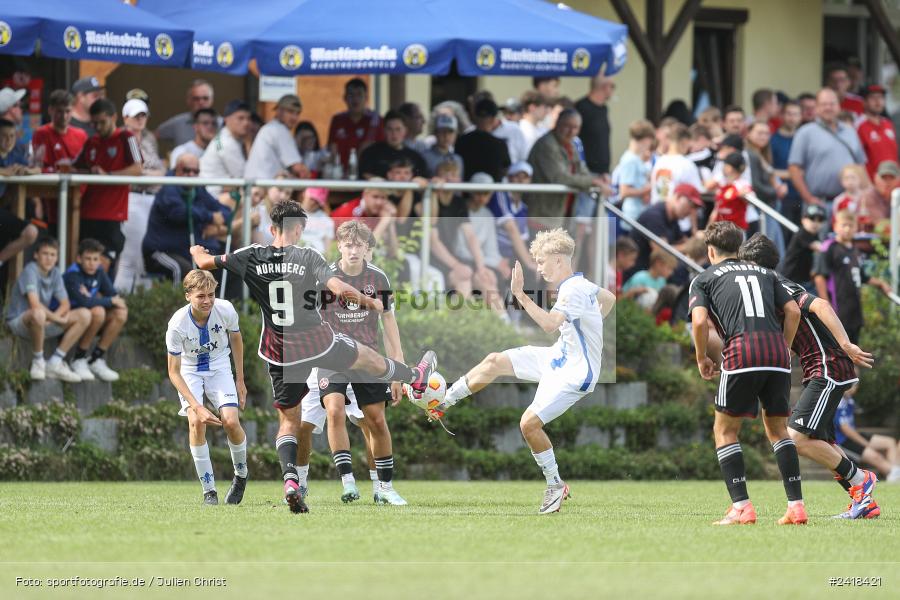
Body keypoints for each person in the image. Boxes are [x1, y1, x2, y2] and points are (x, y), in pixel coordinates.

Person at [189, 200, 438, 513]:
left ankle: (290, 479)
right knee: (367, 358)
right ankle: (415, 377)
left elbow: (206, 261)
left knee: (288, 422)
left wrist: (196, 251)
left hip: (278, 350)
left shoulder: (250, 255)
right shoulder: (308, 256)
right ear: (299, 230)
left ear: (271, 229)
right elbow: (339, 289)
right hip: (315, 342)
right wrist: (367, 302)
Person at [435, 229, 615, 514]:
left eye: (542, 262)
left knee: (528, 424)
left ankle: (555, 485)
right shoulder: (582, 284)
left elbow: (549, 324)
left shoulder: (573, 289)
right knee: (494, 361)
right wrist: (590, 325)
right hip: (559, 356)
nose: (539, 268)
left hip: (576, 373)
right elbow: (609, 298)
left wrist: (519, 294)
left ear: (558, 260)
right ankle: (444, 400)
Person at [736, 233, 882, 519]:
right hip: (819, 367)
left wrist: (845, 344)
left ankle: (861, 480)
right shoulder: (770, 289)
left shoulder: (780, 284)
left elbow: (822, 306)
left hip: (829, 365)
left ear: (754, 265)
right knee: (823, 444)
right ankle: (864, 503)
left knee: (796, 438)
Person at [688, 221, 803, 525]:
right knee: (779, 430)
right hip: (777, 355)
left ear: (710, 250)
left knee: (725, 431)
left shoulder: (703, 278)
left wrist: (701, 358)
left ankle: (741, 507)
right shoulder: (766, 273)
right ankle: (796, 506)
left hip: (742, 353)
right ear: (738, 250)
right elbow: (793, 311)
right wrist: (784, 347)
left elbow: (699, 323)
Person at [312, 221, 408, 504]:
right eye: (348, 244)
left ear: (368, 248)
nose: (354, 250)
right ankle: (348, 482)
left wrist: (397, 370)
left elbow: (389, 322)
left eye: (359, 245)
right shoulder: (324, 276)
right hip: (332, 355)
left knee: (376, 420)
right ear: (339, 246)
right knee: (335, 410)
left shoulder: (379, 278)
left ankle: (384, 489)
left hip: (368, 358)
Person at [165, 270, 248, 506]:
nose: (208, 301)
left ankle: (241, 475)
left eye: (211, 295)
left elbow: (236, 339)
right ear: (188, 296)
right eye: (201, 296)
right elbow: (173, 371)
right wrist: (196, 406)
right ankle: (209, 491)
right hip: (189, 370)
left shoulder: (225, 310)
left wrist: (240, 380)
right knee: (196, 421)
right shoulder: (177, 325)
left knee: (231, 421)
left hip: (219, 363)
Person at [5, 238, 90, 383]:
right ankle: (38, 361)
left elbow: (65, 304)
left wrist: (52, 318)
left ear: (57, 257)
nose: (49, 258)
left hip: (43, 323)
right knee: (38, 313)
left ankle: (55, 362)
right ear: (36, 255)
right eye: (45, 254)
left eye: (53, 255)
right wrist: (56, 319)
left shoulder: (55, 273)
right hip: (20, 323)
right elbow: (34, 303)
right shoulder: (30, 270)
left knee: (84, 314)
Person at [74, 98, 143, 275]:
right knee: (84, 266)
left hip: (111, 215)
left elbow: (137, 168)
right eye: (94, 123)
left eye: (102, 122)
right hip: (87, 213)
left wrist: (109, 175)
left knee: (103, 266)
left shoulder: (126, 137)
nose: (97, 127)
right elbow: (76, 167)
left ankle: (104, 301)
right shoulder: (91, 142)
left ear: (113, 118)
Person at [143, 153, 228, 283]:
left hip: (187, 251)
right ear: (177, 169)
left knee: (226, 263)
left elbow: (222, 210)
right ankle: (178, 303)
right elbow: (178, 213)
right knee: (183, 271)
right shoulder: (168, 187)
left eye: (196, 171)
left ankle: (225, 303)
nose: (191, 175)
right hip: (161, 251)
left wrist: (219, 218)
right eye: (187, 170)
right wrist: (210, 217)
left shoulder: (197, 188)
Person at [813, 211, 893, 344]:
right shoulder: (830, 248)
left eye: (851, 225)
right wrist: (826, 305)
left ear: (856, 228)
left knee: (854, 346)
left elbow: (862, 277)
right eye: (844, 225)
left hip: (854, 308)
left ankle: (853, 366)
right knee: (839, 348)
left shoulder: (855, 251)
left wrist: (881, 283)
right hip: (837, 307)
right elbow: (819, 276)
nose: (847, 229)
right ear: (835, 226)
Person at [527, 108, 606, 229]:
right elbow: (559, 177)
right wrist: (593, 181)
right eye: (567, 126)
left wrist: (599, 178)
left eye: (575, 128)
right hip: (543, 216)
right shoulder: (546, 144)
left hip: (562, 216)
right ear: (557, 123)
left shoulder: (571, 144)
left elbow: (582, 171)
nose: (571, 131)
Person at [118, 97, 166, 290]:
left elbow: (161, 170)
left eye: (143, 115)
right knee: (130, 253)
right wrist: (145, 174)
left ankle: (137, 299)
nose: (139, 120)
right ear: (125, 118)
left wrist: (144, 174)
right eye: (135, 116)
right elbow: (131, 172)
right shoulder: (121, 137)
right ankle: (121, 295)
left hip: (152, 199)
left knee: (144, 255)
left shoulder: (148, 138)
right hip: (131, 198)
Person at [788, 89, 865, 209]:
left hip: (849, 203)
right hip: (818, 203)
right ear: (817, 108)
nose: (828, 107)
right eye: (824, 104)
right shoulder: (805, 132)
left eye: (832, 104)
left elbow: (860, 166)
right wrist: (808, 198)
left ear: (839, 106)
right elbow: (794, 168)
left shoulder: (850, 131)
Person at [63, 239, 127, 382]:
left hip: (90, 319)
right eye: (88, 259)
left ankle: (95, 359)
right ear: (79, 259)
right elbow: (85, 302)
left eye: (95, 259)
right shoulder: (72, 274)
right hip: (70, 319)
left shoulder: (99, 271)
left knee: (120, 313)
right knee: (98, 311)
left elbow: (114, 296)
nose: (92, 263)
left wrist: (107, 300)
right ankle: (78, 358)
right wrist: (108, 301)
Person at [453, 173, 506, 320]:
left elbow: (491, 249)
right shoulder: (460, 210)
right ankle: (469, 324)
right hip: (459, 260)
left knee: (488, 280)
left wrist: (496, 264)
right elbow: (458, 246)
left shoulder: (487, 214)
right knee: (469, 278)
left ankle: (505, 324)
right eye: (478, 192)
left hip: (480, 262)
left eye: (486, 193)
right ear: (471, 192)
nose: (482, 197)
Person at [630, 183, 703, 274]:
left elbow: (683, 241)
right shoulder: (654, 216)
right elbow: (661, 252)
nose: (692, 211)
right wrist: (690, 246)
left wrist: (701, 241)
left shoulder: (673, 218)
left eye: (695, 208)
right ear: (678, 197)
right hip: (638, 276)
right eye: (691, 205)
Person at [836, 385, 900, 485]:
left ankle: (894, 472)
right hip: (842, 441)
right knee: (876, 456)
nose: (854, 388)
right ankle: (894, 473)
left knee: (889, 442)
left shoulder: (850, 401)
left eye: (856, 385)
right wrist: (866, 444)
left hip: (854, 434)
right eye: (852, 384)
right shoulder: (837, 401)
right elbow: (845, 429)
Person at [488, 162, 537, 276]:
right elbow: (511, 229)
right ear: (509, 177)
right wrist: (529, 263)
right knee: (528, 270)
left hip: (512, 255)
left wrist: (533, 260)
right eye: (517, 176)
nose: (521, 180)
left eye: (525, 177)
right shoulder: (500, 194)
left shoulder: (523, 207)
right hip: (497, 254)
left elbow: (522, 239)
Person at [245, 95, 310, 180]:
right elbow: (299, 169)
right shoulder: (279, 129)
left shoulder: (272, 127)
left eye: (298, 113)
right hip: (262, 188)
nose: (294, 117)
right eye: (290, 111)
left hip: (256, 186)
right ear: (279, 111)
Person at [328, 78, 384, 170]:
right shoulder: (337, 120)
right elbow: (332, 148)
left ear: (366, 98)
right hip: (341, 174)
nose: (355, 99)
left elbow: (382, 150)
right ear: (345, 98)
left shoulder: (376, 121)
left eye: (359, 95)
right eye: (351, 95)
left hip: (368, 174)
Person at [199, 100, 251, 199]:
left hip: (211, 194)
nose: (246, 123)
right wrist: (249, 144)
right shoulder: (228, 143)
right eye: (240, 118)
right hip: (213, 198)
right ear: (227, 119)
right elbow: (245, 178)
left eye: (248, 118)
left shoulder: (224, 137)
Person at [31, 89, 87, 176]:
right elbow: (38, 167)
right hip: (50, 186)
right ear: (50, 110)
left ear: (72, 111)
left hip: (77, 187)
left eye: (67, 111)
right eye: (59, 111)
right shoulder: (41, 133)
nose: (64, 116)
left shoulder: (81, 135)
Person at [454, 99, 511, 183]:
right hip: (492, 193)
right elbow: (505, 170)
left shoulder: (461, 141)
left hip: (467, 192)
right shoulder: (500, 145)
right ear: (493, 119)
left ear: (474, 117)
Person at [358, 110, 427, 179]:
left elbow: (425, 179)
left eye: (398, 129)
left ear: (405, 130)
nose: (394, 133)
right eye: (390, 129)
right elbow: (364, 174)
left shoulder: (415, 157)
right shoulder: (371, 153)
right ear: (384, 130)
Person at [611, 119, 654, 226]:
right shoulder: (630, 160)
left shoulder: (636, 158)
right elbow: (624, 191)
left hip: (639, 213)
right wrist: (648, 189)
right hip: (633, 215)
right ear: (646, 139)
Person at [770, 100, 803, 234]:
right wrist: (793, 174)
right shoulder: (772, 140)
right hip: (783, 196)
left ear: (801, 117)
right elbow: (768, 170)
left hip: (803, 195)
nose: (792, 118)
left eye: (796, 114)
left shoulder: (804, 138)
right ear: (782, 116)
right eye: (789, 114)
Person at [650, 123, 703, 205]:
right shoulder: (686, 164)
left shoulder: (659, 162)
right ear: (684, 141)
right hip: (678, 213)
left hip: (657, 208)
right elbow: (696, 192)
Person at [156, 80, 217, 148]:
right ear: (189, 101)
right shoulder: (178, 123)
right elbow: (153, 135)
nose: (201, 102)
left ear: (212, 100)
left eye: (205, 98)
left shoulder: (222, 124)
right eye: (196, 99)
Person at [575, 74, 614, 178]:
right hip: (586, 172)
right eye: (612, 86)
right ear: (605, 87)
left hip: (603, 173)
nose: (613, 91)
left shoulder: (604, 109)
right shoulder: (581, 108)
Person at [778, 204, 825, 289]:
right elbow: (818, 247)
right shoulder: (802, 233)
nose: (815, 223)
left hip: (803, 280)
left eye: (819, 220)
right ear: (803, 220)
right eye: (812, 219)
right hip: (790, 280)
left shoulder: (815, 235)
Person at [856, 84, 896, 182]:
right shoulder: (859, 126)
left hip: (894, 180)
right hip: (873, 183)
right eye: (873, 98)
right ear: (864, 102)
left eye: (881, 98)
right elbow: (858, 159)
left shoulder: (888, 124)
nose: (878, 102)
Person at [297, 187, 334, 253]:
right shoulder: (290, 213)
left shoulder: (326, 220)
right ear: (304, 194)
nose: (313, 203)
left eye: (317, 201)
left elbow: (328, 250)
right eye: (312, 198)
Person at [518, 90, 549, 156]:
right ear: (532, 108)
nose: (547, 112)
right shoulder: (520, 130)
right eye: (544, 107)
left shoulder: (543, 129)